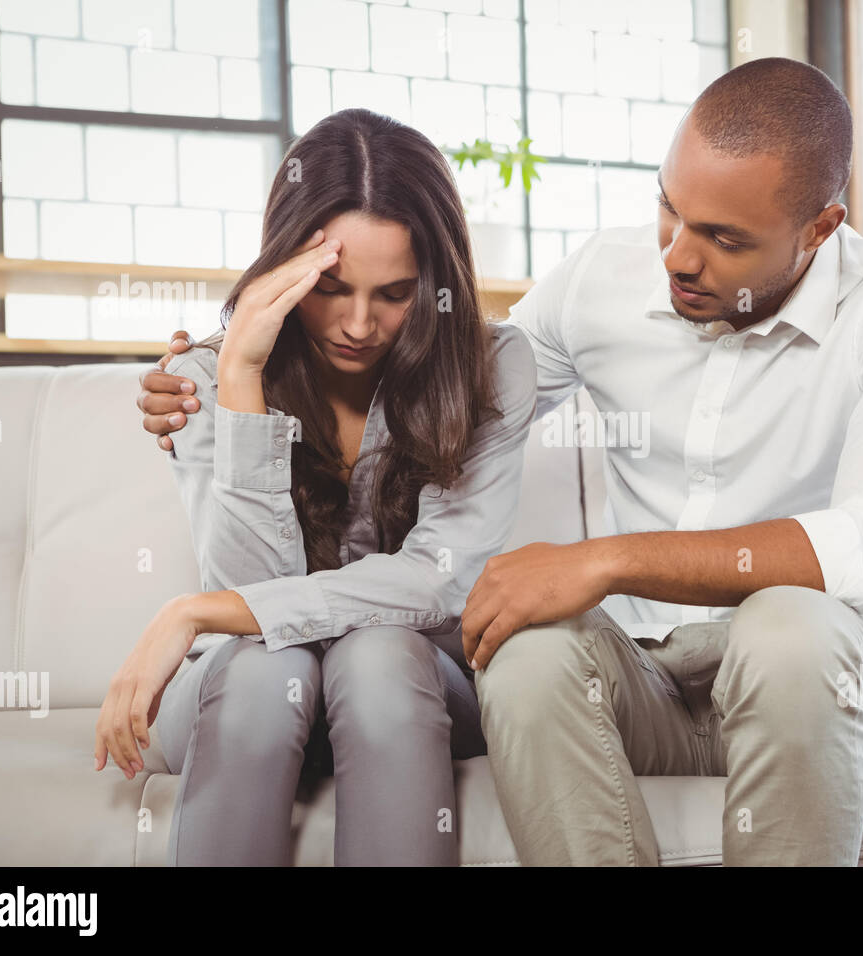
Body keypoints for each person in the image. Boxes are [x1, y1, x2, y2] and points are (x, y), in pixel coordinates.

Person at [143, 58, 863, 867]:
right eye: (668, 209)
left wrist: (605, 562)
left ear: (821, 229)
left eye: (723, 239)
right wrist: (227, 375)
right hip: (645, 677)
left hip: (817, 675)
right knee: (525, 646)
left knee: (790, 626)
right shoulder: (598, 283)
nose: (679, 256)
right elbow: (442, 394)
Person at [96, 107, 537, 867]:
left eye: (396, 294)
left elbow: (440, 582)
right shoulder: (202, 379)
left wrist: (193, 610)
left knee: (378, 656)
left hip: (408, 692)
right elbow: (254, 612)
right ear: (281, 267)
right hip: (249, 699)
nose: (359, 324)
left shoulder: (493, 367)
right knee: (269, 669)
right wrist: (239, 379)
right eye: (330, 288)